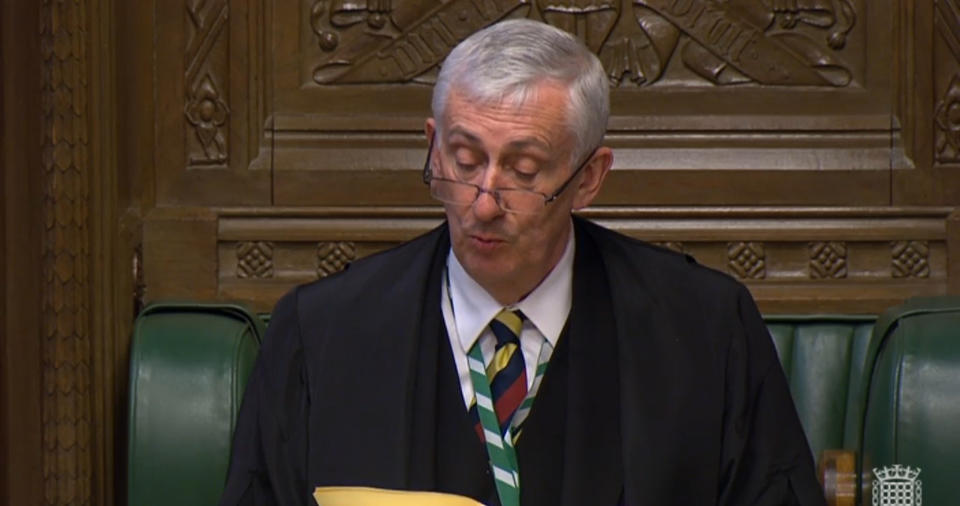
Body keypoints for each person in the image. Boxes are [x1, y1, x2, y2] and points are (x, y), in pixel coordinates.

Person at [219, 19, 826, 506]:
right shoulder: (320, 334)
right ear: (432, 143)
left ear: (589, 177)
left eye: (524, 171)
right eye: (462, 160)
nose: (483, 202)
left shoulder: (705, 330)